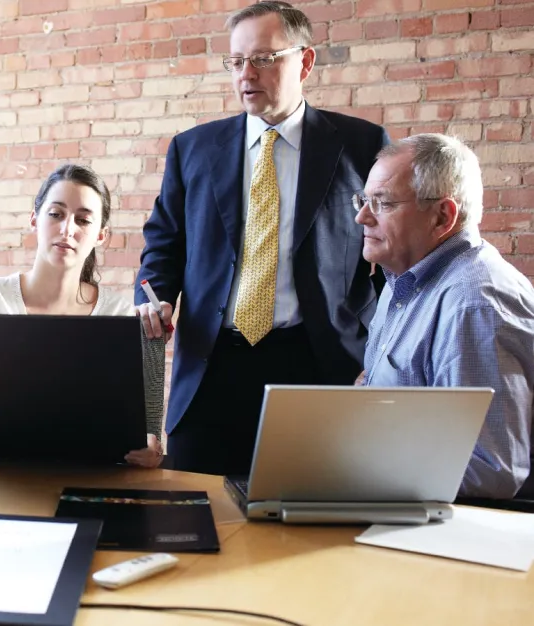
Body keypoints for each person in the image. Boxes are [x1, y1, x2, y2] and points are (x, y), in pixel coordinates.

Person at [135, 1, 390, 476]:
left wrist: (378, 351)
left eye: (263, 59)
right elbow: (163, 246)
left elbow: (390, 260)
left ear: (305, 61)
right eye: (236, 61)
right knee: (194, 517)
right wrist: (154, 297)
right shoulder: (193, 148)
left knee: (310, 528)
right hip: (212, 366)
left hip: (318, 366)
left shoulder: (361, 145)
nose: (245, 74)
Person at [356, 134, 534, 499]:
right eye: (363, 200)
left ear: (442, 216)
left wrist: (351, 467)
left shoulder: (475, 304)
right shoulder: (404, 275)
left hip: (448, 531)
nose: (362, 216)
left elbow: (490, 470)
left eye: (383, 203)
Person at [0, 164, 165, 468]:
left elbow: (141, 424)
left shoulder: (118, 314)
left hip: (91, 474)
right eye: (56, 214)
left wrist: (149, 443)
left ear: (101, 235)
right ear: (34, 219)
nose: (67, 229)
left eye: (83, 220)